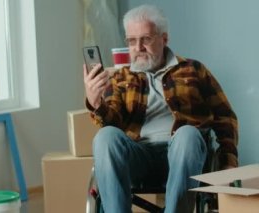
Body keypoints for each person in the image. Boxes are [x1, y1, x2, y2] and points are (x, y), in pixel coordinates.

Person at [83, 4, 238, 213]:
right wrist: (96, 104)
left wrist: (228, 163)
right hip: (139, 156)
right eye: (131, 41)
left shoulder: (194, 69)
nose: (138, 47)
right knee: (105, 136)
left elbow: (225, 117)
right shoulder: (120, 78)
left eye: (146, 39)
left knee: (188, 134)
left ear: (164, 39)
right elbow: (113, 123)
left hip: (185, 155)